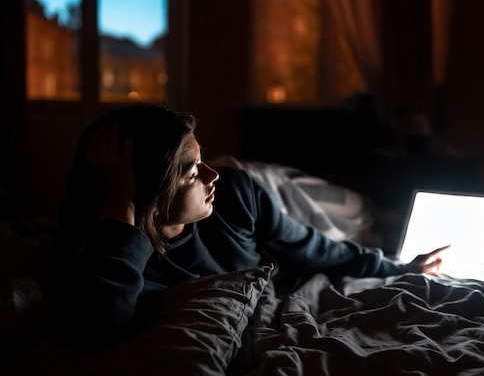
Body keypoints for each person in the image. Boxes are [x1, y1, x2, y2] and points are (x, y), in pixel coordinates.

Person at [54, 104, 448, 349]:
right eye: (192, 173)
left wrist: (395, 267)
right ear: (146, 190)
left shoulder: (234, 192)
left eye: (203, 160)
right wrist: (120, 203)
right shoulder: (112, 251)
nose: (213, 176)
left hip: (283, 249)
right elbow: (101, 326)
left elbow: (311, 245)